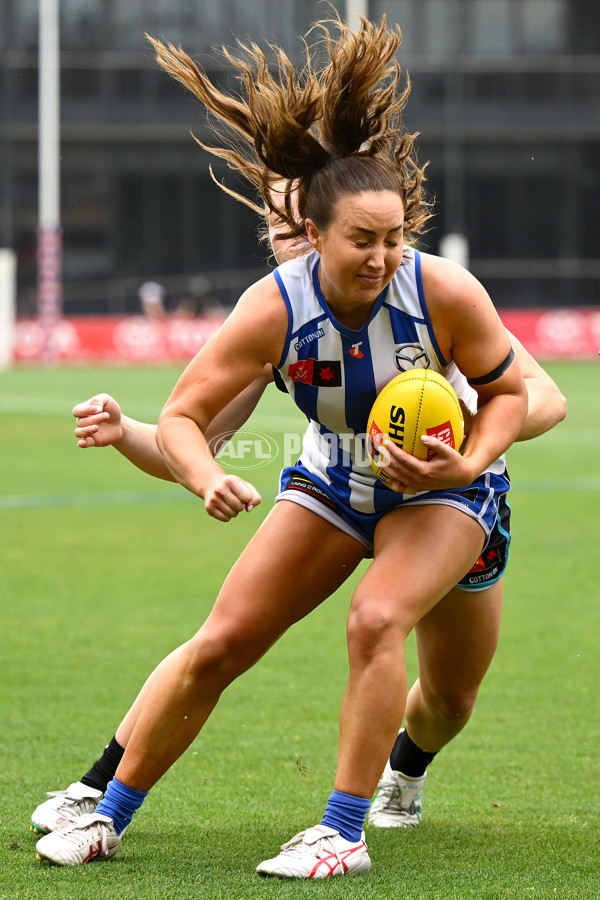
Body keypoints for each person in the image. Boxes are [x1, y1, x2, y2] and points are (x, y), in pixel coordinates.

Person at [34, 14, 560, 878]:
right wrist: (205, 477)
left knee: (402, 643)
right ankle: (106, 813)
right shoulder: (274, 307)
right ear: (313, 237)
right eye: (364, 239)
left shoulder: (445, 292)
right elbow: (185, 419)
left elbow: (516, 393)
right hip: (334, 483)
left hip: (448, 490)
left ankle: (346, 827)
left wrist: (466, 460)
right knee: (221, 642)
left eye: (394, 238)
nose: (385, 256)